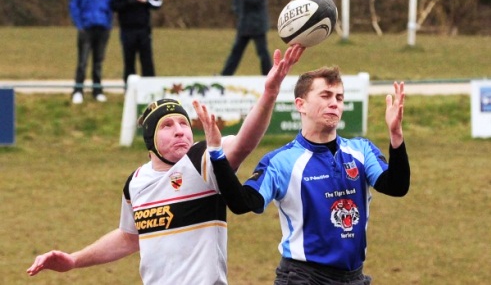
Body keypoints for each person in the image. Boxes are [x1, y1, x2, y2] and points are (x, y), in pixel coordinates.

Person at [26, 45, 305, 285]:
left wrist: (270, 93)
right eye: (168, 125)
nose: (180, 130)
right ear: (150, 139)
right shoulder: (135, 183)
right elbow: (128, 237)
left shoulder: (202, 160)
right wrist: (74, 260)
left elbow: (244, 143)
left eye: (184, 123)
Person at [205, 66, 411, 284]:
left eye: (339, 98)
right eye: (325, 95)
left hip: (353, 276)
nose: (335, 103)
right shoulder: (281, 161)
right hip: (303, 277)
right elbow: (242, 203)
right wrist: (217, 154)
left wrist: (396, 136)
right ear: (300, 104)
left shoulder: (361, 150)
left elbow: (397, 187)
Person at [69, 0, 113, 104]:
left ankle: (97, 90)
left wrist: (108, 26)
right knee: (82, 62)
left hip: (102, 29)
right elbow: (73, 6)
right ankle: (78, 90)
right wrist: (79, 25)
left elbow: (110, 9)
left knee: (98, 62)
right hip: (86, 29)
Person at [110, 0, 162, 85]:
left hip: (144, 30)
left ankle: (150, 88)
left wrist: (145, 1)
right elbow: (113, 6)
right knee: (129, 61)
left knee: (147, 61)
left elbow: (158, 3)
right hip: (127, 30)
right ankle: (129, 89)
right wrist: (130, 1)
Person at [220, 0, 272, 76]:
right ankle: (225, 76)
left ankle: (268, 75)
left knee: (262, 52)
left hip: (257, 25)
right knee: (235, 52)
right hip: (244, 25)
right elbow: (236, 2)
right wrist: (238, 12)